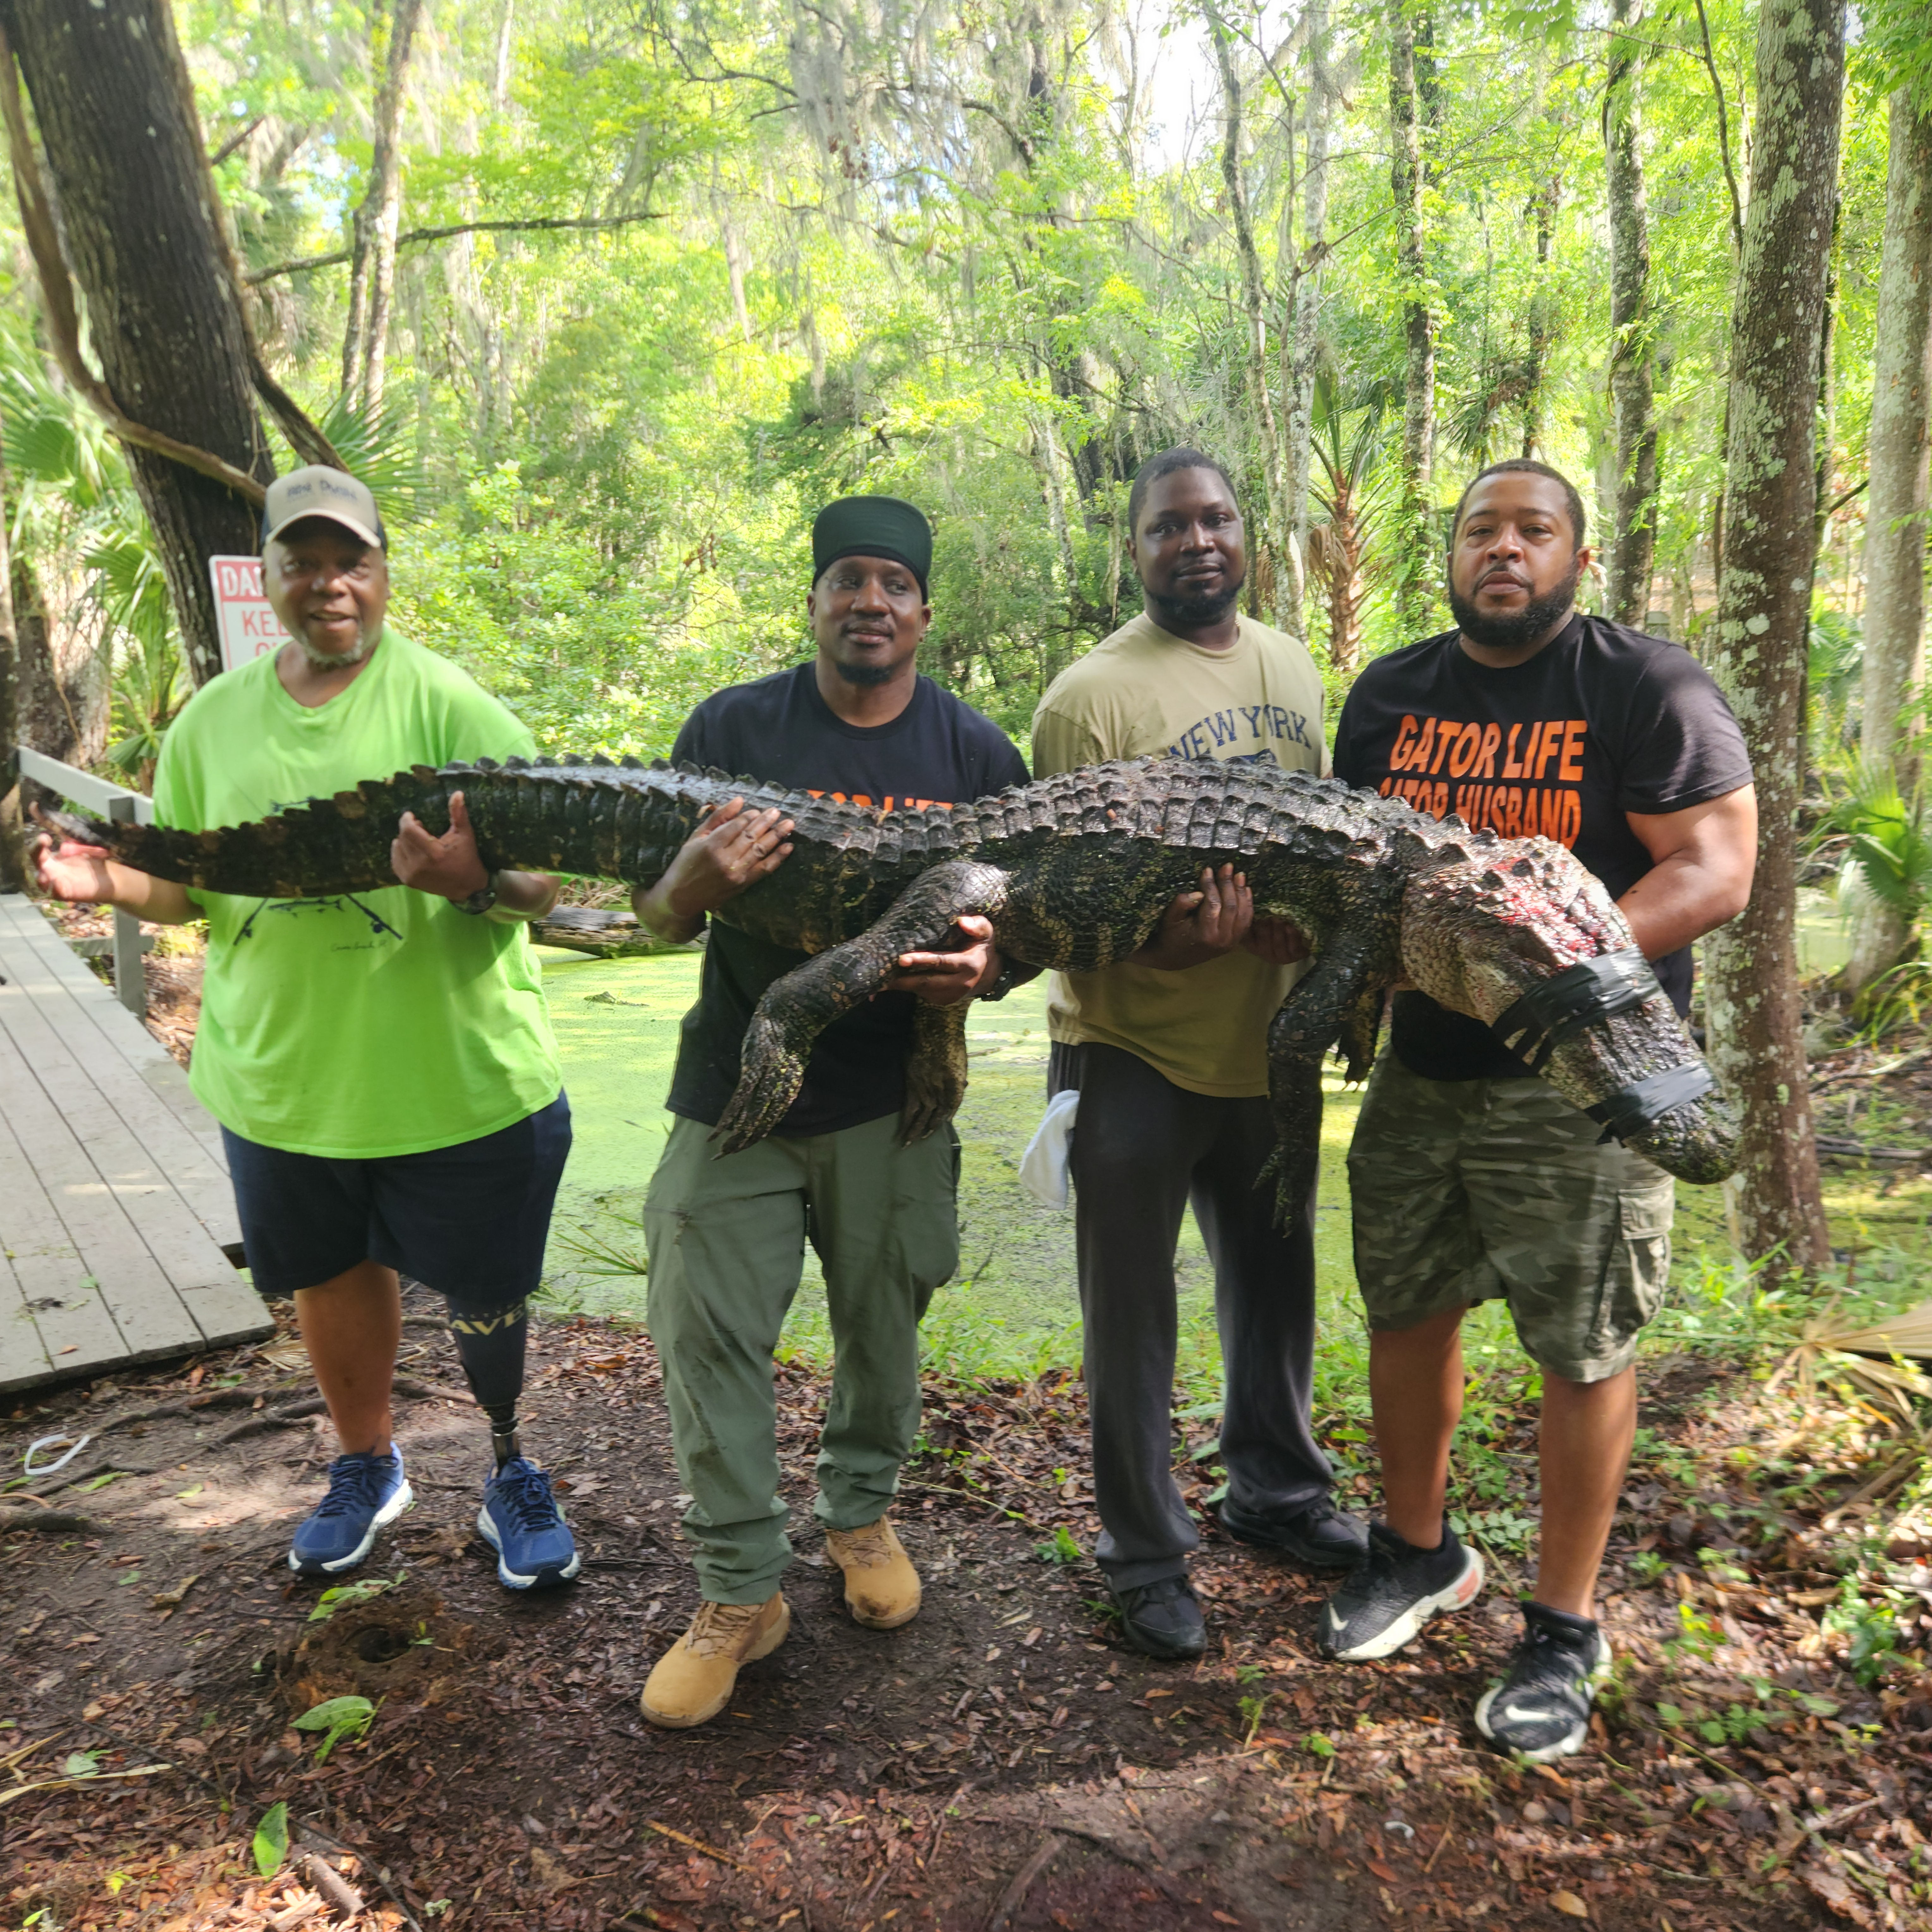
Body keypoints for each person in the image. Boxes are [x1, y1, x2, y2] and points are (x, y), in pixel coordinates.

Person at [33, 466, 581, 1590]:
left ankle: (510, 1468)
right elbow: (190, 892)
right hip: (286, 1080)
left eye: (352, 562)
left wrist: (475, 874)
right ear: (270, 578)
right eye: (304, 563)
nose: (329, 585)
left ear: (384, 575)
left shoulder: (449, 706)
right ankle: (366, 1465)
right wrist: (112, 893)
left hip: (458, 1075)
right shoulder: (211, 725)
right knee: (330, 1276)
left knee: (485, 1290)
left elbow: (545, 880)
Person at [1323, 458, 1756, 1760]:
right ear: (1446, 555)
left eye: (1532, 530)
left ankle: (1563, 1624)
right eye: (1477, 531)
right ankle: (1416, 1551)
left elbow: (1716, 862)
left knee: (1582, 1349)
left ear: (1576, 554)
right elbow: (1358, 870)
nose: (1501, 550)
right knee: (1405, 1306)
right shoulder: (1392, 695)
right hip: (1421, 1075)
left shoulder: (1643, 687)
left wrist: (1547, 974)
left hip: (1580, 1088)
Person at [633, 496, 1030, 1729]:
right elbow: (655, 910)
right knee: (705, 1328)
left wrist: (994, 970)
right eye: (847, 579)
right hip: (737, 1088)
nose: (870, 601)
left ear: (923, 610)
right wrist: (689, 884)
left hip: (893, 1098)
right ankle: (741, 1591)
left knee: (884, 1317)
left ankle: (859, 1515)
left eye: (894, 584)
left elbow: (1025, 932)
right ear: (813, 600)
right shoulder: (734, 727)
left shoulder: (976, 755)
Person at [1029, 447, 1367, 1663]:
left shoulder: (1291, 663)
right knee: (1134, 1315)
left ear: (1246, 535)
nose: (1199, 541)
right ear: (1137, 550)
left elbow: (1322, 842)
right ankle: (1144, 1555)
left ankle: (1274, 1494)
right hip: (1132, 1048)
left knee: (1275, 1291)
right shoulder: (1090, 698)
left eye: (1218, 519)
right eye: (1171, 527)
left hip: (1270, 1044)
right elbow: (1053, 904)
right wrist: (1169, 947)